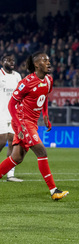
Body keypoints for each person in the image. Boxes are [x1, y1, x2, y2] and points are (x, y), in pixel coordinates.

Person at [0, 51, 69, 200]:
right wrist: (19, 127)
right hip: (23, 122)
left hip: (32, 122)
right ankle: (54, 191)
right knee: (42, 152)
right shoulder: (26, 82)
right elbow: (12, 104)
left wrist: (45, 116)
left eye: (49, 60)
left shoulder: (49, 80)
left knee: (17, 158)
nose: (49, 63)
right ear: (37, 64)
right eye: (45, 60)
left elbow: (44, 97)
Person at [0, 54, 23, 182]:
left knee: (12, 142)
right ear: (2, 62)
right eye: (8, 60)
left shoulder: (17, 76)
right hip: (1, 113)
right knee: (2, 141)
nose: (12, 62)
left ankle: (10, 174)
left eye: (13, 60)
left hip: (13, 114)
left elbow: (20, 94)